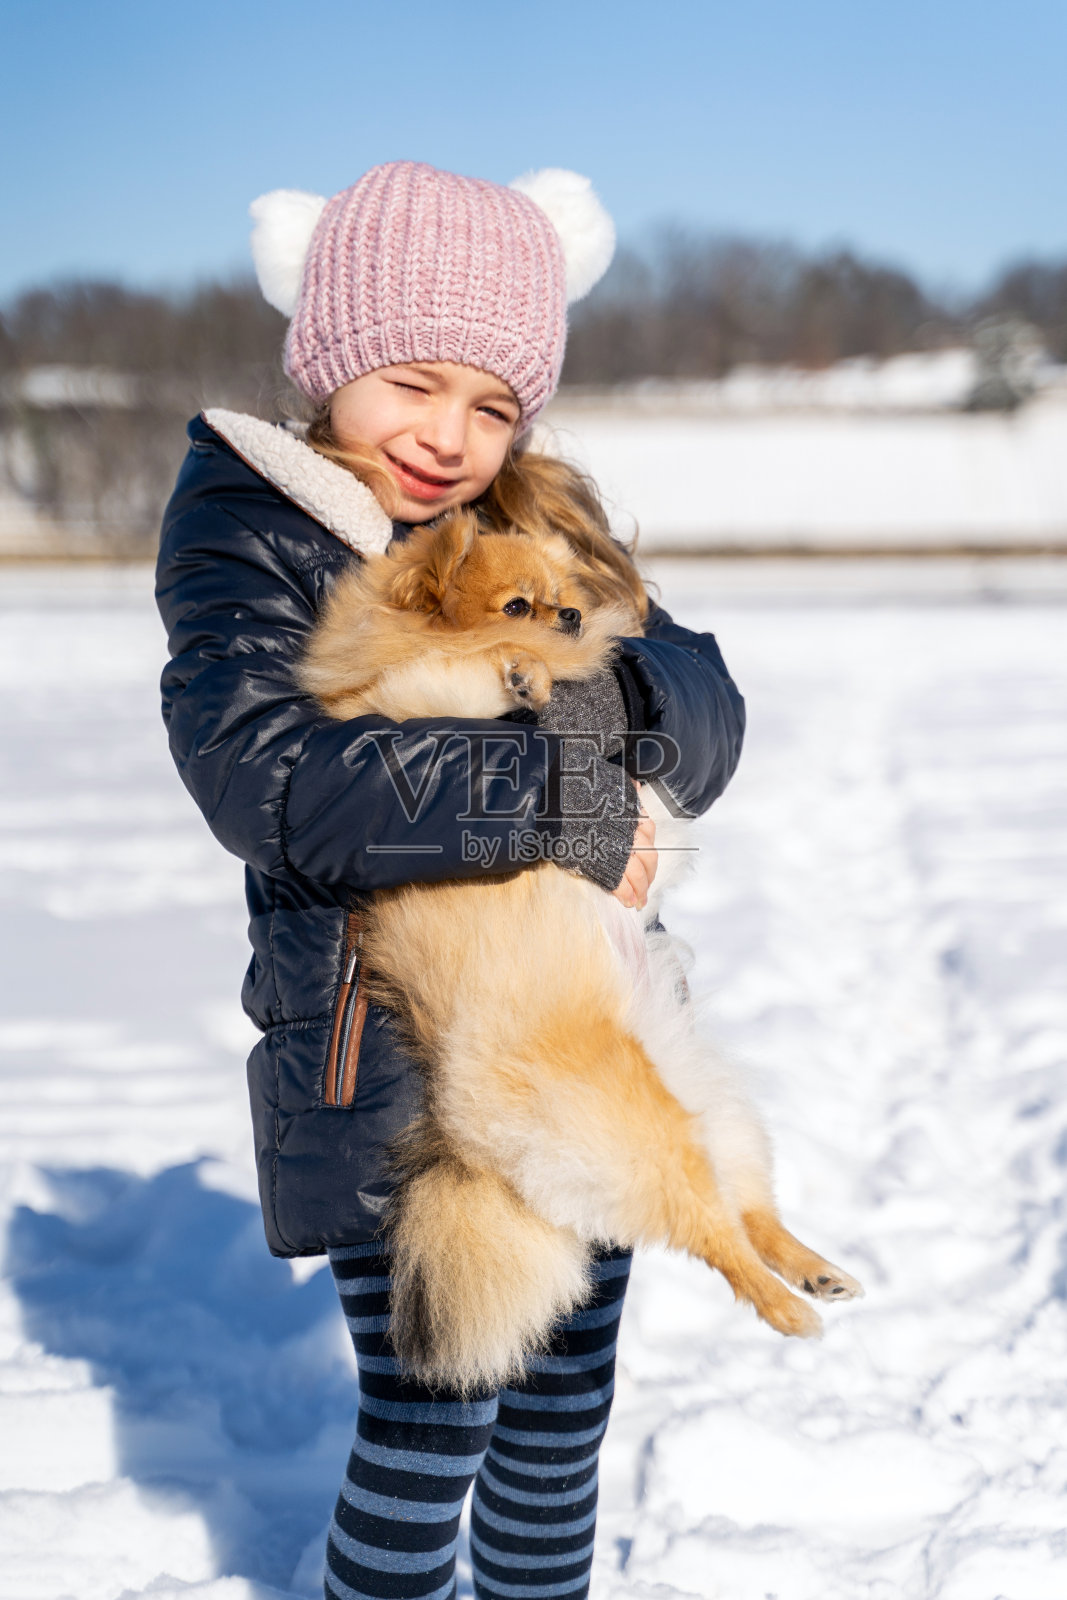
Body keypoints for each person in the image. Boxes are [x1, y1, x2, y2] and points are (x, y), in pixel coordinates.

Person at [156, 161, 745, 1600]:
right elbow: (272, 782)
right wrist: (565, 792)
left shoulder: (538, 520)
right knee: (435, 1426)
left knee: (558, 1423)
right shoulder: (256, 529)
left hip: (573, 1037)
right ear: (333, 363)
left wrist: (611, 717)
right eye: (414, 384)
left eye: (492, 404)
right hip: (394, 1056)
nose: (449, 437)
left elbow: (703, 697)